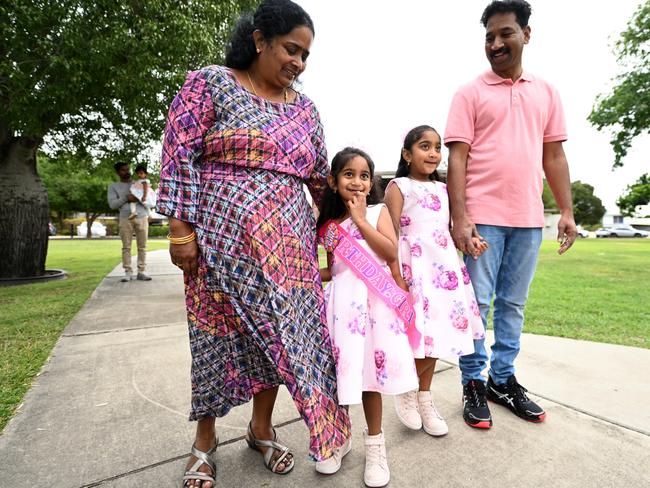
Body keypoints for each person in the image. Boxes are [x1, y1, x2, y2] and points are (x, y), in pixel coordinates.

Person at [156, 1, 350, 486]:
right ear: (260, 39)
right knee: (214, 340)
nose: (298, 64)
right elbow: (178, 155)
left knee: (287, 341)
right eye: (291, 49)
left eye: (306, 56)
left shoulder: (306, 110)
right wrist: (181, 232)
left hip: (289, 251)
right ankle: (204, 441)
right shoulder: (211, 82)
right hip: (218, 246)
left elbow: (318, 183)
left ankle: (261, 430)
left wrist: (344, 236)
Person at [444, 0, 577, 429]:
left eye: (505, 34)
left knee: (514, 305)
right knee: (477, 303)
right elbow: (458, 160)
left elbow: (553, 155)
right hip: (483, 217)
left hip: (527, 218)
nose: (496, 43)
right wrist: (461, 218)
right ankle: (473, 383)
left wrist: (567, 212)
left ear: (526, 34)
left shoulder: (546, 92)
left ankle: (502, 380)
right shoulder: (469, 92)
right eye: (489, 37)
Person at [316, 147, 419, 488]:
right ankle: (337, 438)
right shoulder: (329, 226)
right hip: (343, 308)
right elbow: (335, 269)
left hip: (375, 307)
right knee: (339, 377)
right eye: (348, 174)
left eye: (364, 176)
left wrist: (360, 219)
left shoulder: (377, 211)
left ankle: (375, 445)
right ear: (333, 181)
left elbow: (389, 252)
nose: (357, 182)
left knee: (370, 381)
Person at [384, 125, 487, 436]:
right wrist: (397, 277)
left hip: (444, 270)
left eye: (437, 148)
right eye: (424, 146)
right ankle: (407, 391)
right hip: (414, 269)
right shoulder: (398, 186)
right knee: (417, 335)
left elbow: (454, 230)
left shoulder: (444, 190)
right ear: (407, 154)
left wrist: (472, 242)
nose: (433, 153)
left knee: (439, 335)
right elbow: (391, 234)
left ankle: (424, 398)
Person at [107, 161, 152, 282]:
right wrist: (126, 198)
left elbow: (150, 199)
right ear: (117, 172)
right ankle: (128, 272)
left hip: (142, 216)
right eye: (123, 170)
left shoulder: (139, 183)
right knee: (126, 247)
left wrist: (142, 199)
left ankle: (141, 271)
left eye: (128, 169)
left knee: (142, 246)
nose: (127, 172)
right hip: (125, 218)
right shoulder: (113, 186)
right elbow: (112, 204)